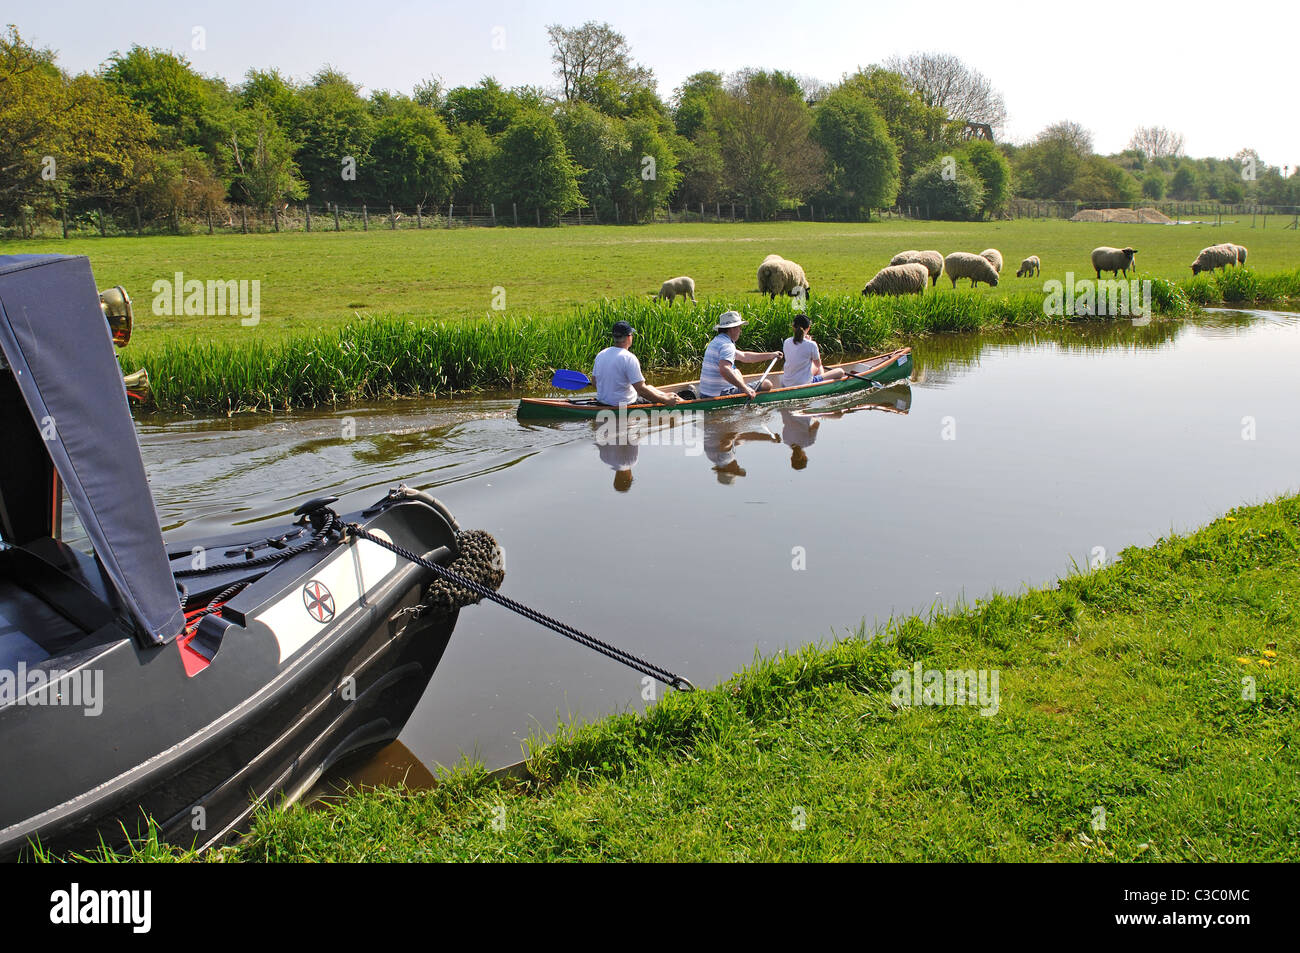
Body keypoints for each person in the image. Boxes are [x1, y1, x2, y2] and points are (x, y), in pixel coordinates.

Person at [590, 320, 680, 407]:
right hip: (624, 404)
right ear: (629, 337)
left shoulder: (601, 354)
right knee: (670, 395)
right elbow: (641, 390)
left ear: (614, 337)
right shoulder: (629, 358)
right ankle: (683, 402)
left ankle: (671, 397)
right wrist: (666, 400)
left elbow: (594, 383)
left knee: (650, 387)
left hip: (602, 402)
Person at [698, 311, 781, 399]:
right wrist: (745, 389)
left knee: (736, 371)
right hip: (720, 394)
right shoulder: (727, 345)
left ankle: (741, 390)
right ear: (732, 329)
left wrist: (771, 355)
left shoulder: (717, 341)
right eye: (739, 327)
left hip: (705, 394)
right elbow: (724, 369)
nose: (740, 331)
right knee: (767, 384)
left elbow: (745, 356)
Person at [781, 313, 846, 387]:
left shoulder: (786, 342)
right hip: (804, 383)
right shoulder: (811, 344)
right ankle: (820, 385)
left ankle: (819, 382)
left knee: (816, 367)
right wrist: (810, 341)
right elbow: (818, 364)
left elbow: (798, 352)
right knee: (840, 371)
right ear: (808, 328)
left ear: (793, 327)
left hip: (786, 383)